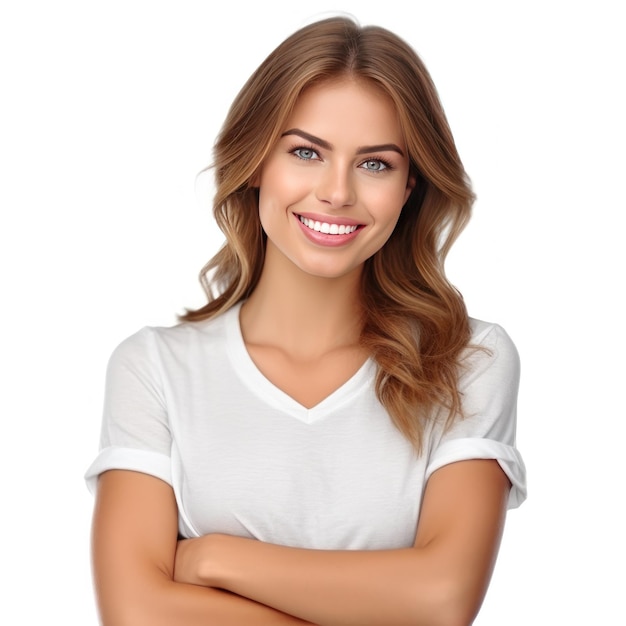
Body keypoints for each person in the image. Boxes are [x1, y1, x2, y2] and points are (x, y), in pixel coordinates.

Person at [85, 14, 526, 626]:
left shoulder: (468, 359)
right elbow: (136, 614)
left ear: (410, 187)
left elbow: (442, 599)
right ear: (256, 160)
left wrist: (212, 559)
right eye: (305, 152)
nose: (336, 191)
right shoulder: (155, 368)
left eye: (375, 164)